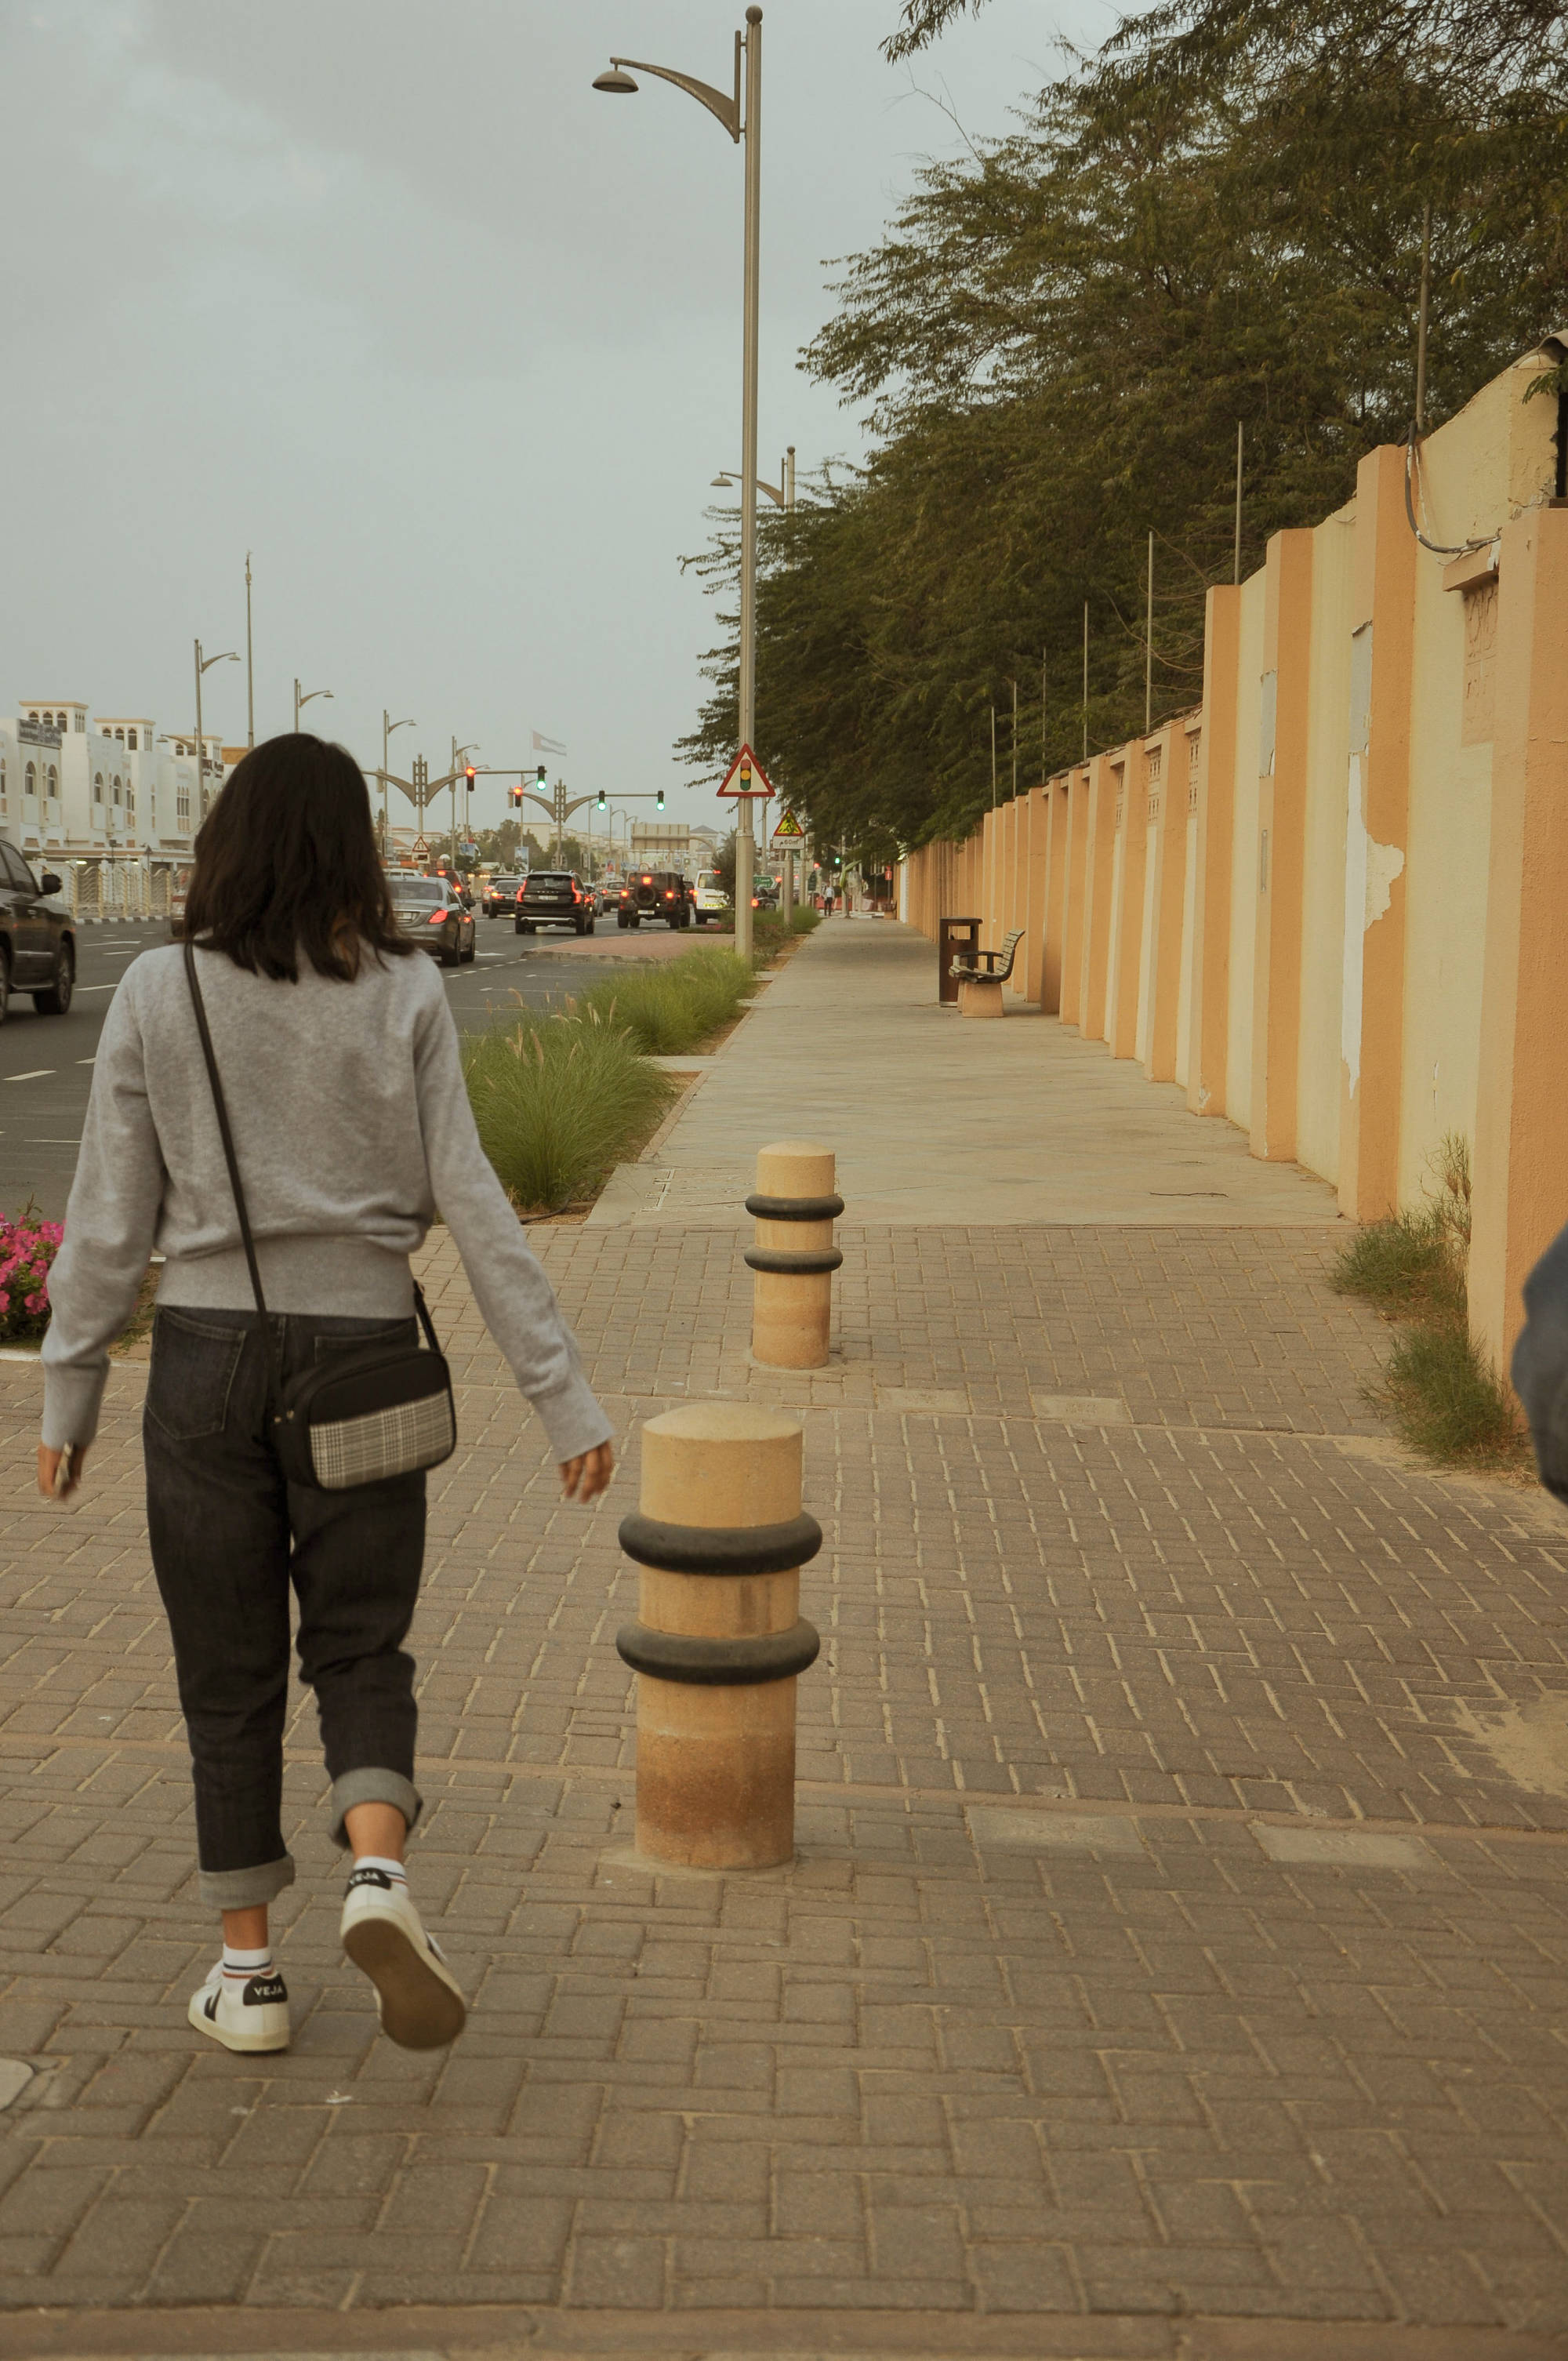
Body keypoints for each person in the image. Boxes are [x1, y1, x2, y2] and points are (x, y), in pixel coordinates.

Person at [37, 735, 613, 2058]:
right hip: (363, 1357)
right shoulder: (404, 990)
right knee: (359, 1646)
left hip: (204, 1359)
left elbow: (108, 1217)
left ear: (224, 843)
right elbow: (474, 1201)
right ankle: (378, 1874)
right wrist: (561, 1395)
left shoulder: (159, 989)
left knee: (226, 1672)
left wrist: (69, 1392)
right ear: (356, 850)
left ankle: (248, 1978)